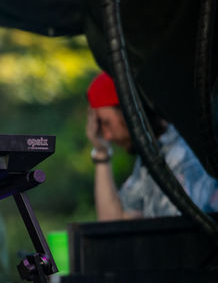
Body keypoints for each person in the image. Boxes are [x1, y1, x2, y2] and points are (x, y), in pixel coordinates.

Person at [85, 71, 218, 219]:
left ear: (128, 111)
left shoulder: (180, 154)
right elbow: (112, 223)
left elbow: (180, 238)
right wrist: (101, 151)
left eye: (106, 123)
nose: (107, 136)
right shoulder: (150, 157)